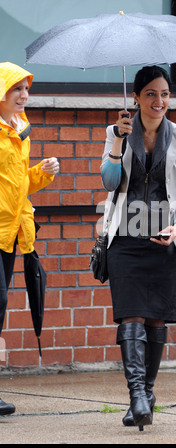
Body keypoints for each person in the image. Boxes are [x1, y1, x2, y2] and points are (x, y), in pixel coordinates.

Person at [101, 65, 176, 431]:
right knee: (131, 316)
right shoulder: (118, 132)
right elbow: (110, 183)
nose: (159, 101)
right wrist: (116, 143)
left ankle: (148, 392)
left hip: (165, 240)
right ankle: (137, 395)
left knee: (156, 319)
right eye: (152, 94)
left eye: (165, 94)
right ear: (137, 97)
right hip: (125, 239)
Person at [0, 62, 59, 415]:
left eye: (26, 89)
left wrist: (42, 173)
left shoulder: (21, 130)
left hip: (10, 235)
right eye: (16, 89)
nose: (24, 95)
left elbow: (18, 186)